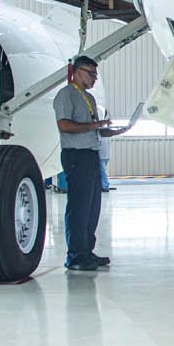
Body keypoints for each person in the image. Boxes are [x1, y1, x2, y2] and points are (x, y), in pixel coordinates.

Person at [53, 56, 127, 271]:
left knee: (92, 207)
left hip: (91, 154)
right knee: (79, 207)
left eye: (96, 74)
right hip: (76, 156)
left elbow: (92, 128)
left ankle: (86, 251)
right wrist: (95, 124)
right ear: (76, 72)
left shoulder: (89, 98)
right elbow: (65, 125)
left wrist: (111, 131)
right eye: (90, 73)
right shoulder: (66, 95)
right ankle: (75, 255)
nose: (94, 78)